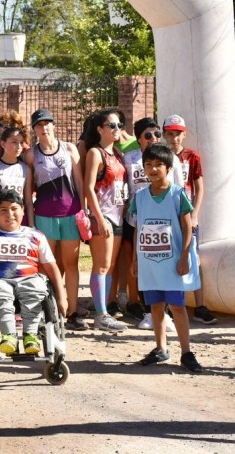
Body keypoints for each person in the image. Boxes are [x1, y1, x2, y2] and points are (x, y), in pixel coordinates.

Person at [0, 189, 68, 355]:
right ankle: (9, 336)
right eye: (3, 210)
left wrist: (62, 297)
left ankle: (31, 336)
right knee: (0, 294)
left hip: (29, 278)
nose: (9, 214)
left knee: (36, 290)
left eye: (14, 209)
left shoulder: (36, 236)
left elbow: (51, 267)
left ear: (23, 211)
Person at [131, 143, 203, 373]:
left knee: (177, 306)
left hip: (172, 262)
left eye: (158, 165)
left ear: (169, 168)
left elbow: (187, 227)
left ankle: (186, 352)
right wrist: (135, 258)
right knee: (155, 306)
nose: (153, 169)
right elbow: (138, 228)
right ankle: (161, 348)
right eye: (148, 164)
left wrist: (184, 256)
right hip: (150, 263)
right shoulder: (140, 197)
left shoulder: (177, 194)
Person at [23, 108, 86, 331]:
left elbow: (79, 183)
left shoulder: (69, 149)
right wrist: (31, 221)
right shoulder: (31, 155)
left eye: (47, 123)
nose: (44, 128)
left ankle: (72, 312)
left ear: (54, 125)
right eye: (39, 125)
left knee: (71, 264)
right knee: (46, 266)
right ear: (34, 129)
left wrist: (84, 211)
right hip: (44, 214)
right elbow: (28, 190)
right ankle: (47, 311)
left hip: (70, 213)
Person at [162, 115, 217, 325]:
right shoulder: (162, 155)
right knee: (167, 257)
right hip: (166, 216)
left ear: (184, 134)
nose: (174, 138)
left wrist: (194, 215)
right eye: (170, 134)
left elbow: (198, 187)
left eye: (178, 134)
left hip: (186, 215)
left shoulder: (192, 156)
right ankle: (169, 307)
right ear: (164, 135)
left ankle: (200, 306)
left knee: (193, 257)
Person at [121, 118, 172, 326]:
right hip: (136, 218)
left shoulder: (169, 158)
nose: (154, 138)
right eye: (148, 135)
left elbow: (176, 186)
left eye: (157, 134)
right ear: (139, 138)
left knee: (163, 263)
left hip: (163, 218)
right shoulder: (128, 158)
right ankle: (148, 311)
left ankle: (165, 312)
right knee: (140, 265)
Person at [83, 109, 129, 332]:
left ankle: (104, 310)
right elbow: (88, 188)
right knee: (101, 265)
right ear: (100, 129)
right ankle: (100, 315)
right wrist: (99, 219)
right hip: (104, 216)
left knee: (109, 266)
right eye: (112, 125)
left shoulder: (117, 153)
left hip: (118, 215)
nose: (117, 129)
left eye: (119, 125)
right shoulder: (95, 153)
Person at [0, 126, 33, 227]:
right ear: (3, 144)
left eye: (21, 142)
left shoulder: (26, 169)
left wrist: (31, 225)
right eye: (14, 142)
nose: (19, 146)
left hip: (18, 221)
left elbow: (28, 202)